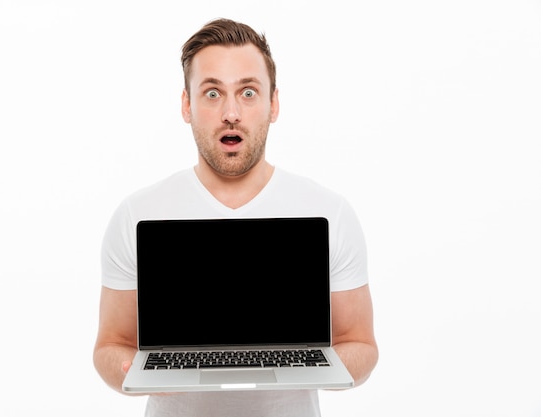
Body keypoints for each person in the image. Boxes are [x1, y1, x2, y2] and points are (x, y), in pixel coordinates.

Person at [93, 18, 378, 417]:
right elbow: (111, 345)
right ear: (186, 105)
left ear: (273, 103)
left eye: (248, 92)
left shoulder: (330, 211)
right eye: (212, 93)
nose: (231, 112)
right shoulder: (136, 214)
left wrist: (316, 364)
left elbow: (360, 343)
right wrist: (132, 371)